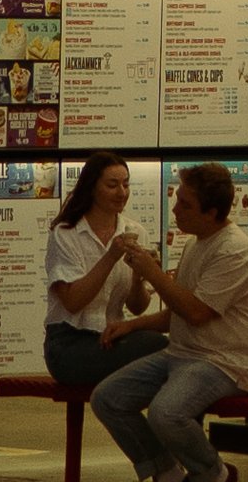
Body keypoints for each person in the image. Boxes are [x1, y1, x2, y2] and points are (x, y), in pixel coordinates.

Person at [89, 161, 248, 482]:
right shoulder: (197, 244)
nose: (175, 210)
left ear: (213, 212)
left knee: (166, 412)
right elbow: (179, 310)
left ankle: (217, 475)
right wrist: (134, 325)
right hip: (183, 353)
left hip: (226, 360)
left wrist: (151, 272)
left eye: (185, 204)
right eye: (177, 200)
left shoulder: (232, 251)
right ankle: (170, 478)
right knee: (108, 398)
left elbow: (198, 312)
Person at [42, 151, 165, 388]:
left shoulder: (135, 230)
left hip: (114, 336)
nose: (122, 192)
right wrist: (111, 256)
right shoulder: (66, 233)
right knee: (158, 351)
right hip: (70, 343)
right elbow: (73, 302)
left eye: (126, 184)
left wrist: (140, 276)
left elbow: (137, 307)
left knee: (167, 349)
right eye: (112, 185)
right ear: (92, 187)